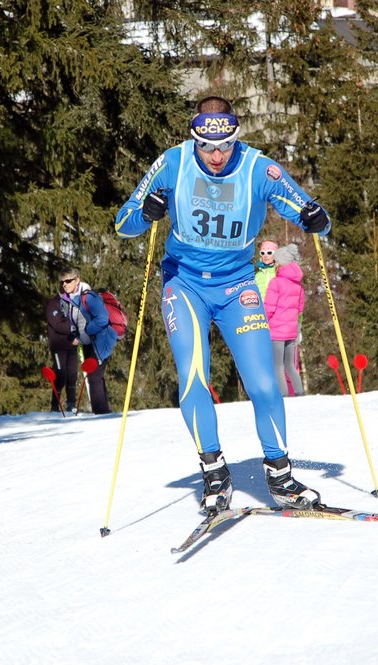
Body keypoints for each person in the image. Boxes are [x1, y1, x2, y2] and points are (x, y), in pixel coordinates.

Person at [115, 95, 330, 513]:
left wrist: (316, 218)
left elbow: (305, 208)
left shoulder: (257, 167)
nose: (215, 156)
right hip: (185, 286)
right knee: (193, 377)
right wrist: (147, 211)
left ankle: (280, 475)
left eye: (225, 145)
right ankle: (214, 471)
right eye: (206, 146)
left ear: (236, 137)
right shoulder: (173, 162)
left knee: (264, 383)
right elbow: (124, 223)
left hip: (237, 288)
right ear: (193, 138)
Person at [50, 267, 116, 415]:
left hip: (100, 341)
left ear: (77, 280)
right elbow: (74, 321)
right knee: (95, 377)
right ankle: (104, 411)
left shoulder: (88, 296)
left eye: (68, 281)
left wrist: (86, 331)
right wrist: (74, 334)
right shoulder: (68, 300)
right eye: (62, 282)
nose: (65, 284)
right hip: (86, 343)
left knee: (94, 377)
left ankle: (100, 413)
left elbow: (102, 319)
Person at [264, 243, 305, 397]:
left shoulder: (276, 282)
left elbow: (269, 307)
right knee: (290, 365)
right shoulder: (298, 285)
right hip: (291, 330)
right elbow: (300, 308)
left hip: (276, 331)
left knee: (277, 366)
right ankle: (300, 393)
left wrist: (263, 323)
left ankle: (284, 395)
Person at [45, 275, 80, 413]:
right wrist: (72, 327)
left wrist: (78, 332)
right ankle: (55, 405)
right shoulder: (53, 304)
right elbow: (58, 324)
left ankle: (71, 403)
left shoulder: (72, 303)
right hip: (58, 345)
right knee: (61, 374)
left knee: (72, 374)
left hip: (71, 345)